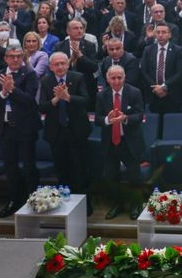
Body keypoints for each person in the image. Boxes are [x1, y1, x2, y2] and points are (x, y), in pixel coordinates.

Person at [0, 44, 41, 218]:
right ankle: (13, 200)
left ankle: (33, 200)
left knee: (28, 166)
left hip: (25, 128)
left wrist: (12, 89)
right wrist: (3, 93)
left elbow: (29, 101)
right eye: (12, 56)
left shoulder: (30, 74)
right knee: (10, 167)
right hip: (5, 128)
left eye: (19, 56)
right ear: (6, 58)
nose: (16, 59)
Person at [40, 52, 92, 216]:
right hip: (56, 132)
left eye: (63, 63)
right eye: (56, 64)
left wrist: (68, 97)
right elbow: (41, 106)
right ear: (51, 67)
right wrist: (56, 100)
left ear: (68, 64)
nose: (60, 67)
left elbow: (86, 100)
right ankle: (64, 203)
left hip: (76, 131)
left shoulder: (78, 77)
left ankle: (85, 204)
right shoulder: (46, 81)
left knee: (80, 169)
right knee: (61, 170)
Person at [96, 65, 145, 220]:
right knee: (111, 176)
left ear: (124, 77)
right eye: (113, 78)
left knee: (134, 176)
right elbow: (97, 119)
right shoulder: (102, 95)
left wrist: (126, 118)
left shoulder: (134, 92)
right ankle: (116, 204)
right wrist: (107, 120)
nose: (116, 81)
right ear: (108, 79)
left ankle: (136, 205)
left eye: (119, 77)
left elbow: (140, 115)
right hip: (110, 142)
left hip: (129, 141)